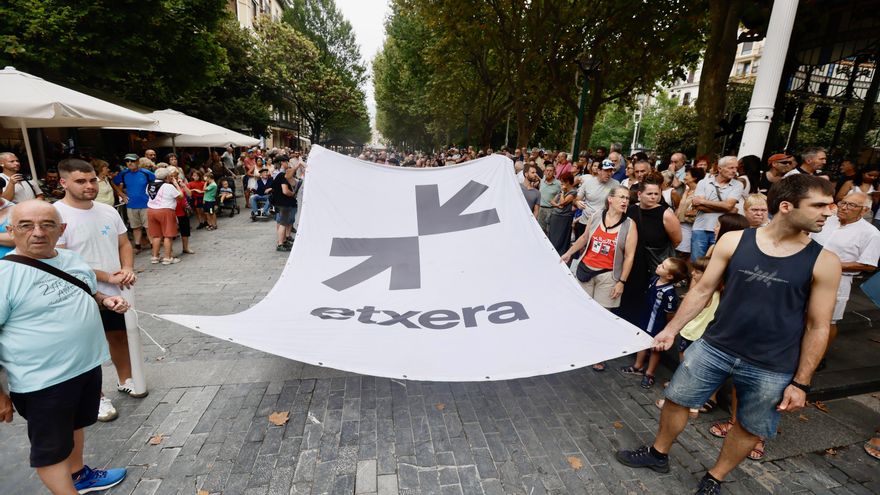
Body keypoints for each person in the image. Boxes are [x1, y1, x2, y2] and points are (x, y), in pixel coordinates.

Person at [616, 174, 841, 495]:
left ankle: (715, 478)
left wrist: (801, 382)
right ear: (787, 206)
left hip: (772, 364)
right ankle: (658, 453)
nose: (828, 212)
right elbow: (703, 289)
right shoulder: (735, 241)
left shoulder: (824, 261)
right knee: (677, 400)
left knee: (750, 426)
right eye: (819, 205)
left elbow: (818, 325)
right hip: (714, 346)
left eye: (829, 205)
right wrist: (670, 329)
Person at [0, 200, 130, 494]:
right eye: (26, 225)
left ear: (62, 229)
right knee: (51, 450)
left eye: (47, 224)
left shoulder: (71, 259)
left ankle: (79, 475)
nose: (38, 232)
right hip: (42, 380)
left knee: (74, 426)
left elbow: (86, 287)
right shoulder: (4, 276)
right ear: (11, 231)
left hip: (85, 367)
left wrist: (105, 300)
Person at [54, 158, 144, 424]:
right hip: (77, 292)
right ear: (64, 182)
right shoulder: (55, 215)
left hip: (117, 289)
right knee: (87, 348)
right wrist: (106, 276)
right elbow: (63, 260)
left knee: (120, 335)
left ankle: (126, 379)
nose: (89, 186)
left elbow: (124, 243)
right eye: (80, 181)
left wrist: (126, 268)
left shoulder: (108, 211)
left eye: (92, 180)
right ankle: (96, 396)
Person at [562, 186, 637, 371]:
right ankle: (581, 347)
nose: (625, 201)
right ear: (610, 199)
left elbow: (629, 256)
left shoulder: (629, 225)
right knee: (583, 312)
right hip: (586, 269)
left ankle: (600, 354)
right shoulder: (597, 216)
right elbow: (584, 238)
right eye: (621, 197)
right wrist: (569, 253)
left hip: (608, 275)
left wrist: (621, 282)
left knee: (603, 316)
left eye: (627, 198)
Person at [811, 191, 880, 368]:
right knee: (803, 315)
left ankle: (819, 356)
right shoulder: (827, 220)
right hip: (807, 273)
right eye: (843, 203)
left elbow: (868, 265)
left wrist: (832, 264)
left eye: (851, 205)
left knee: (828, 320)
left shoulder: (871, 233)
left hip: (837, 280)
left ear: (863, 211)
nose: (844, 208)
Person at [616, 174, 682, 330]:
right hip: (631, 261)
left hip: (653, 265)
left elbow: (677, 240)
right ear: (639, 194)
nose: (653, 197)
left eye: (657, 194)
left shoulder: (666, 214)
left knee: (647, 301)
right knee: (627, 296)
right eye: (649, 194)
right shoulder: (631, 210)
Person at [620, 257, 689, 388]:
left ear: (669, 276)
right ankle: (638, 366)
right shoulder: (654, 279)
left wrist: (666, 329)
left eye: (663, 266)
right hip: (645, 318)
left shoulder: (669, 294)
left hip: (657, 324)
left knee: (655, 349)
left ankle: (650, 373)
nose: (658, 266)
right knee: (642, 341)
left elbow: (670, 313)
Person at [690, 156, 744, 260]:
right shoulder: (704, 182)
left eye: (736, 168)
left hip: (722, 230)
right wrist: (726, 209)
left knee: (716, 262)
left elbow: (728, 205)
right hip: (700, 228)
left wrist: (703, 201)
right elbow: (697, 206)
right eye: (731, 168)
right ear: (719, 169)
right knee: (697, 262)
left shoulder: (738, 185)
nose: (734, 171)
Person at [112, 153, 155, 253]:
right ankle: (138, 245)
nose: (129, 163)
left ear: (138, 162)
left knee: (148, 226)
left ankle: (154, 245)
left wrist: (153, 197)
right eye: (127, 161)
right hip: (131, 205)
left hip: (146, 203)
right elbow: (113, 182)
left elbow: (156, 182)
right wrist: (121, 194)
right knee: (135, 227)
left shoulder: (146, 173)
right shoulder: (123, 173)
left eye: (132, 161)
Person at [574, 160, 620, 243]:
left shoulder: (616, 184)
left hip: (603, 224)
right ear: (599, 171)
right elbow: (577, 199)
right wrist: (577, 202)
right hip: (585, 222)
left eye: (611, 171)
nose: (609, 173)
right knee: (580, 249)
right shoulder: (588, 182)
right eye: (606, 170)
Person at [145, 167, 182, 264]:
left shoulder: (149, 185)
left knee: (156, 235)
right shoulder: (168, 186)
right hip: (165, 210)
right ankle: (167, 257)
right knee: (168, 235)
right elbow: (180, 197)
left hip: (151, 210)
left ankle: (155, 257)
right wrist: (176, 184)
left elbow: (148, 194)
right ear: (166, 177)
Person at [675, 167, 706, 258]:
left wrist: (691, 213)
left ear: (694, 178)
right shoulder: (687, 190)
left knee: (683, 254)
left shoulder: (700, 192)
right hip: (680, 225)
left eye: (687, 175)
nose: (684, 177)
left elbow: (701, 209)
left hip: (689, 226)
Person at [272, 157, 299, 251]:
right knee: (283, 223)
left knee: (281, 223)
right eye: (286, 162)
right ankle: (280, 244)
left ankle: (283, 241)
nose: (288, 163)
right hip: (284, 203)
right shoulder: (282, 175)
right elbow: (285, 191)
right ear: (282, 163)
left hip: (279, 202)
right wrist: (293, 194)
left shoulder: (277, 174)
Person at [548, 172, 577, 254]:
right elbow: (552, 201)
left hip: (565, 218)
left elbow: (562, 202)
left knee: (561, 238)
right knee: (552, 236)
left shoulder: (573, 192)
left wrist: (563, 193)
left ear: (567, 182)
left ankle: (559, 255)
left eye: (562, 182)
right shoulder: (562, 191)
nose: (561, 184)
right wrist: (557, 205)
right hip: (555, 216)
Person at [170, 167, 194, 255]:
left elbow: (189, 194)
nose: (175, 178)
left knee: (185, 230)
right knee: (171, 232)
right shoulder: (167, 185)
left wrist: (183, 185)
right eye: (172, 176)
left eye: (176, 176)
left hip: (183, 210)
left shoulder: (181, 183)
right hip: (172, 211)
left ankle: (185, 248)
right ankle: (170, 252)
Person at [537, 163, 561, 235]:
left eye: (550, 171)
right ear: (544, 172)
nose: (548, 172)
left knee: (550, 231)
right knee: (540, 231)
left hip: (551, 210)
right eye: (547, 170)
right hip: (540, 209)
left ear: (554, 172)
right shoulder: (542, 181)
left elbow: (562, 195)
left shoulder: (558, 183)